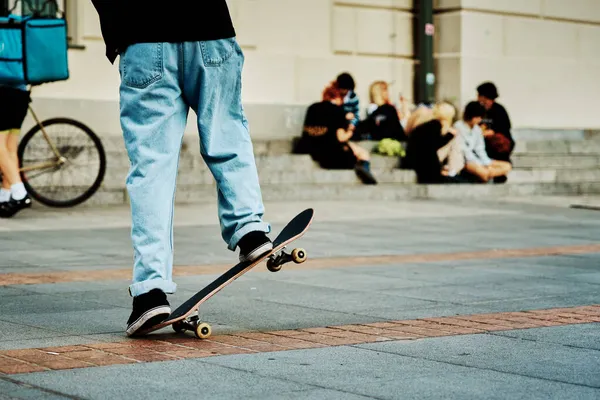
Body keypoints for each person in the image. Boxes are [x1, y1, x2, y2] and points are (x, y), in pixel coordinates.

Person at [91, 0, 273, 336]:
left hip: (142, 35)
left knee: (151, 170)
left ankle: (149, 293)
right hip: (208, 27)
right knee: (226, 134)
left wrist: (117, 28)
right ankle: (249, 228)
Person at [300, 83, 377, 184]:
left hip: (309, 147)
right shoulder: (338, 110)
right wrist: (350, 130)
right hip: (332, 154)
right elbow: (341, 137)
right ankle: (364, 167)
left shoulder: (312, 108)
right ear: (339, 98)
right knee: (363, 153)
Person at [404, 102, 464, 184]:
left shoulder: (428, 124)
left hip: (418, 162)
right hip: (424, 166)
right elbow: (434, 145)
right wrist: (449, 136)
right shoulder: (435, 125)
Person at [454, 101, 512, 183]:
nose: (479, 120)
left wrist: (486, 163)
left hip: (480, 160)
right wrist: (481, 165)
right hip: (466, 161)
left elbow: (480, 148)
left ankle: (488, 174)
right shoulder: (458, 127)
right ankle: (487, 174)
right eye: (478, 117)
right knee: (483, 172)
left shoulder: (477, 129)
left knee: (507, 166)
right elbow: (465, 151)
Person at [0, 83, 32, 218]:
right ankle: (5, 197)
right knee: (10, 149)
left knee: (1, 147)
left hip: (3, 94)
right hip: (21, 95)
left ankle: (20, 193)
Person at [477, 82, 515, 182]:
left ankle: (499, 175)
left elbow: (505, 128)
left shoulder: (499, 110)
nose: (478, 98)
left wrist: (490, 132)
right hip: (481, 141)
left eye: (480, 95)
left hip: (497, 144)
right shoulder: (478, 109)